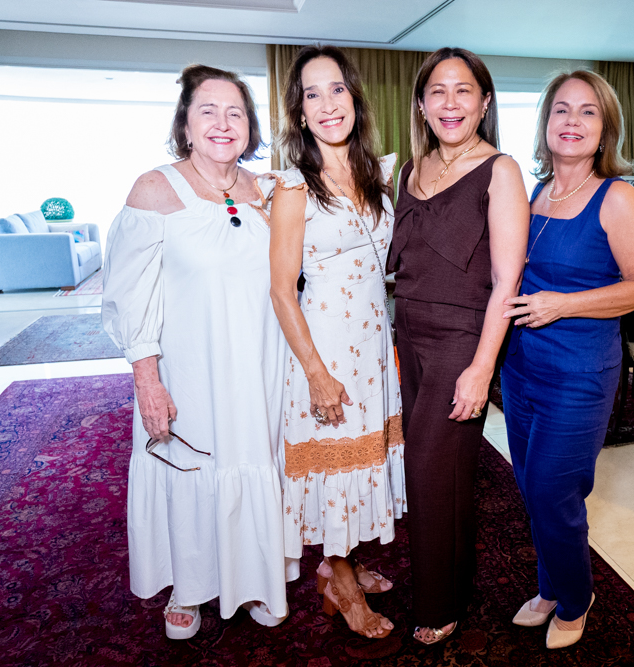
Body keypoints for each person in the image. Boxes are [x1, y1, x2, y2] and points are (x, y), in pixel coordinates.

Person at [102, 64, 290, 639]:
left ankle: (255, 579)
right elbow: (128, 295)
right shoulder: (154, 189)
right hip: (189, 366)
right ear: (185, 124)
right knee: (194, 467)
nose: (222, 122)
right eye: (208, 110)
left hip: (259, 363)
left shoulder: (269, 190)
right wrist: (147, 379)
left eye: (235, 112)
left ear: (250, 126)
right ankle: (187, 588)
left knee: (253, 459)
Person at [499, 70, 634, 650]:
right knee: (531, 487)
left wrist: (563, 304)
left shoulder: (616, 197)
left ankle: (575, 599)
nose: (573, 121)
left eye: (588, 111)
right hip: (520, 370)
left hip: (579, 374)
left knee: (554, 492)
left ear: (604, 128)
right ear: (545, 123)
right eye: (561, 110)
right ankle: (550, 585)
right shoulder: (534, 193)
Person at [387, 47, 529, 645]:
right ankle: (452, 579)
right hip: (408, 334)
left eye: (463, 90)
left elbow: (507, 281)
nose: (450, 103)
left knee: (430, 472)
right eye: (437, 92)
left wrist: (481, 367)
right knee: (433, 472)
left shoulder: (500, 170)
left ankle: (440, 603)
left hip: (460, 342)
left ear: (484, 102)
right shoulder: (409, 170)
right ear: (421, 105)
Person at [265, 45, 403, 640]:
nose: (327, 104)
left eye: (337, 89)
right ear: (300, 113)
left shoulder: (377, 175)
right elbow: (281, 291)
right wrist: (317, 375)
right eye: (312, 94)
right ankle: (341, 584)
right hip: (325, 350)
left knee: (365, 455)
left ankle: (343, 560)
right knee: (335, 462)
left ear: (355, 98)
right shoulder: (294, 187)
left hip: (373, 346)